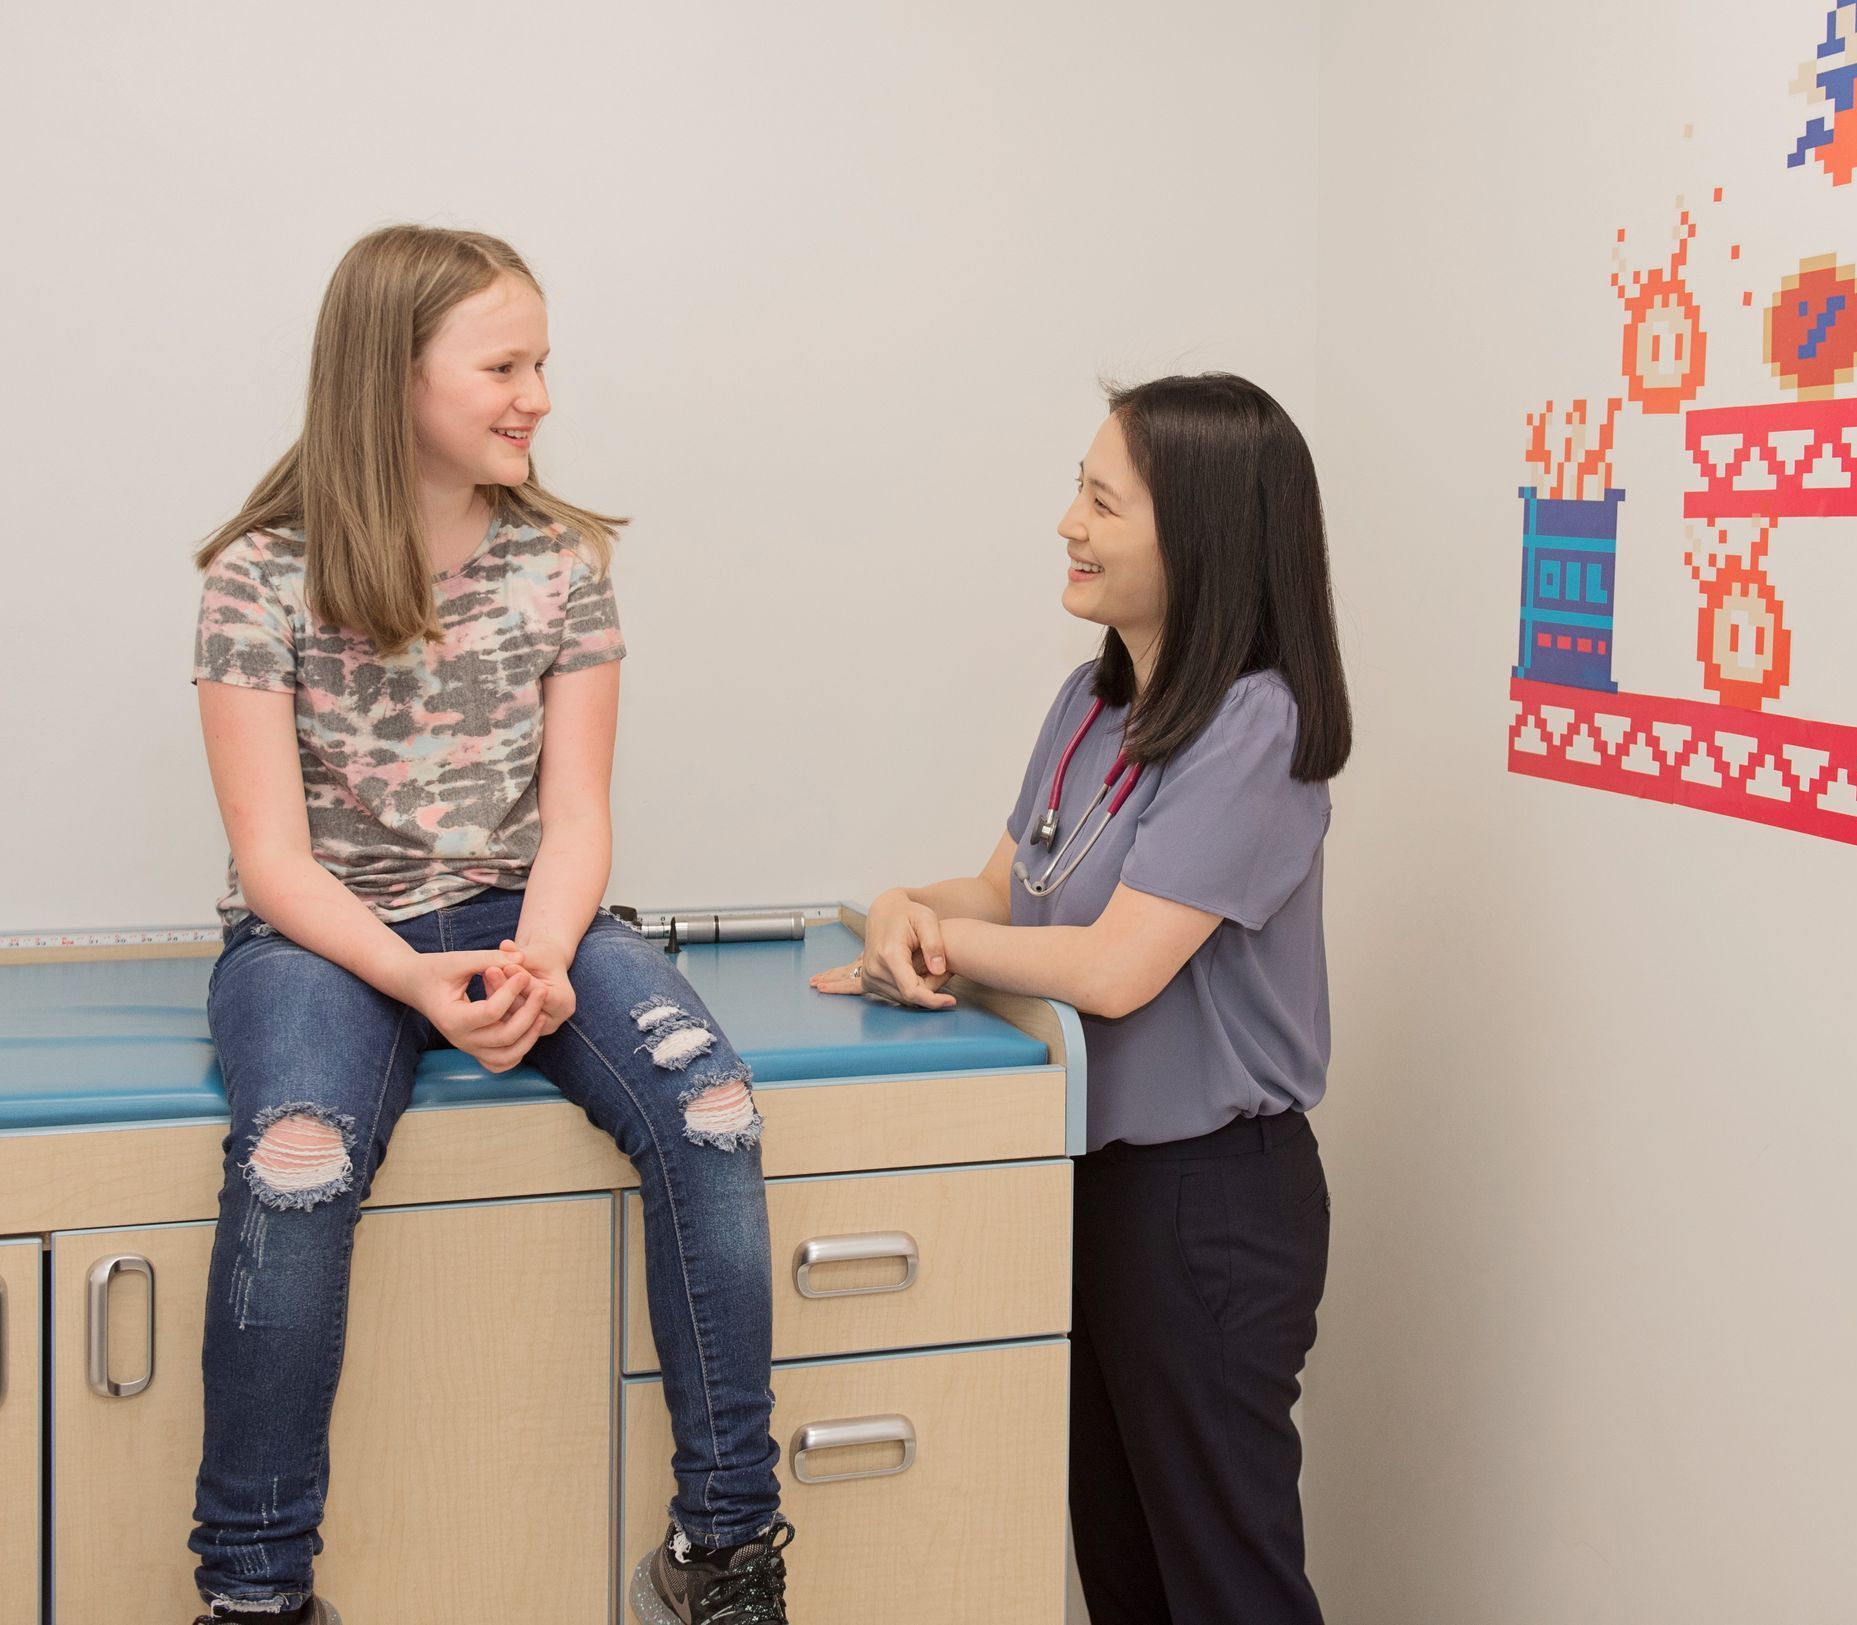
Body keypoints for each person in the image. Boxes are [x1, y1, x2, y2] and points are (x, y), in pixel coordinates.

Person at [188, 225, 791, 1625]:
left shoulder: (561, 566)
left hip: (534, 912)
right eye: (505, 365)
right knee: (295, 1158)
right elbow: (274, 856)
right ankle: (254, 1593)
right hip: (325, 935)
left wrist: (532, 953)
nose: (538, 396)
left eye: (542, 364)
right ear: (390, 378)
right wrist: (413, 972)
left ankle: (728, 1552)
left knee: (713, 1109)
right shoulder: (256, 578)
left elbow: (576, 815)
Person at [811, 373, 1349, 1624]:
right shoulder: (1092, 702)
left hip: (1209, 1204)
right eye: (1079, 489)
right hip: (1082, 1175)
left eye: (1103, 500)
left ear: (1203, 534)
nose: (1069, 522)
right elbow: (1009, 891)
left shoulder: (1255, 727)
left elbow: (1114, 965)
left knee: (1226, 1584)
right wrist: (904, 903)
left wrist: (940, 938)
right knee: (1123, 1575)